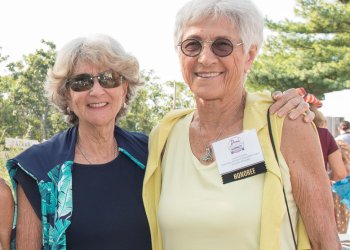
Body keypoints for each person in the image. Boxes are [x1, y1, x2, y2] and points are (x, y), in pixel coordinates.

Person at [3, 33, 309, 249]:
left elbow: (215, 153)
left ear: (125, 88)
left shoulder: (153, 152)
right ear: (67, 95)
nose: (96, 91)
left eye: (108, 79)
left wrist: (284, 107)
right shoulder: (39, 169)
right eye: (81, 82)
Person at [143, 0, 341, 249]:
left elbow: (326, 242)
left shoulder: (285, 124)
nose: (205, 58)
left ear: (249, 56)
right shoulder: (165, 136)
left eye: (222, 46)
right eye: (192, 45)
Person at [296, 87, 347, 181]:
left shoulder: (280, 134)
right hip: (317, 190)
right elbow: (340, 173)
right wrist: (326, 178)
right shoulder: (324, 134)